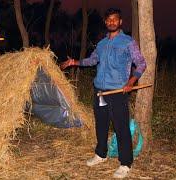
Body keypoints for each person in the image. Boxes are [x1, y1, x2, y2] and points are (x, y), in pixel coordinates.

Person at [60, 8, 146, 178]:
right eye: (109, 20)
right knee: (101, 124)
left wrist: (130, 82)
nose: (111, 22)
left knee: (121, 127)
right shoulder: (101, 44)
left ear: (120, 22)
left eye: (115, 19)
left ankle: (126, 163)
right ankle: (101, 154)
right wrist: (74, 62)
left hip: (117, 91)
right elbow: (92, 60)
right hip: (100, 90)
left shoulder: (128, 42)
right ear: (106, 22)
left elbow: (141, 63)